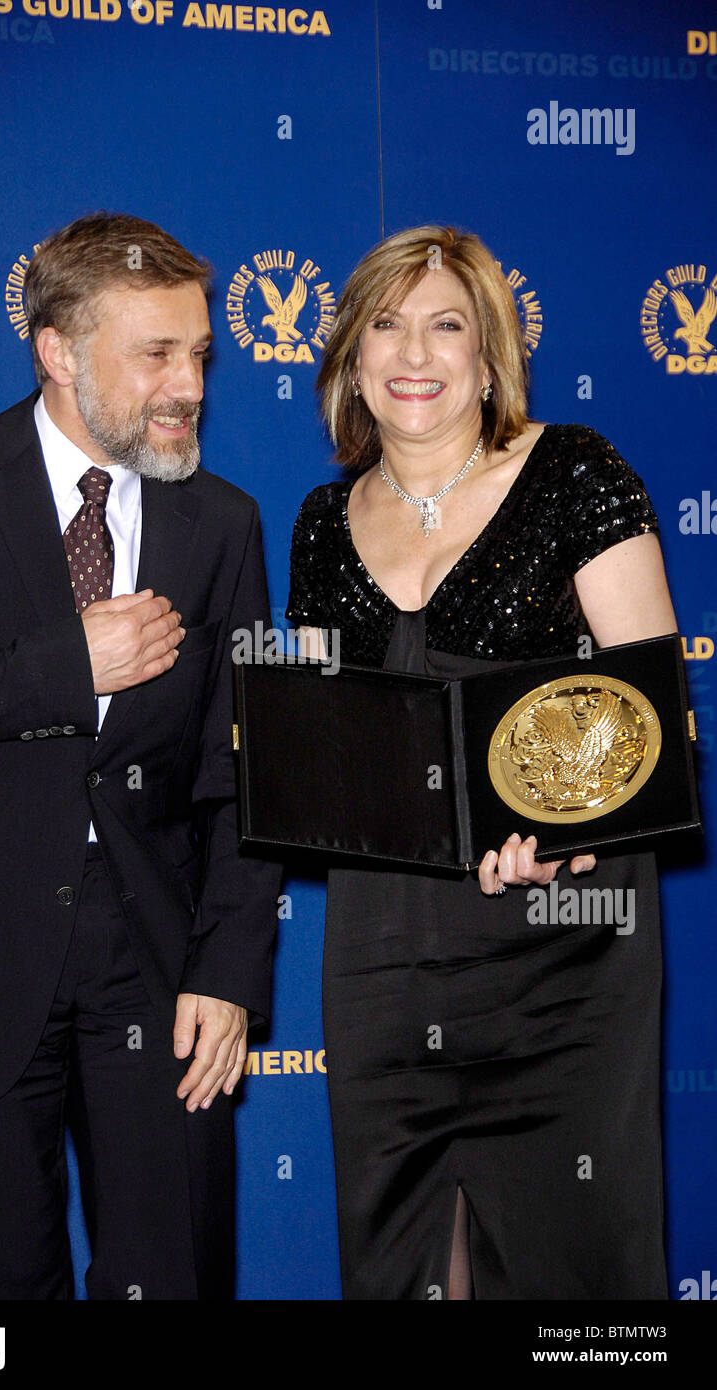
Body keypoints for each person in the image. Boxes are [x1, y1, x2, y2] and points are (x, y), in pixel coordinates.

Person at [0, 212, 280, 1300]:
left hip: (154, 957)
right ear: (55, 351)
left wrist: (227, 973)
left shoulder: (222, 522)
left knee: (173, 1276)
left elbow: (249, 768)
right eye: (155, 354)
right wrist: (63, 664)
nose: (188, 384)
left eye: (199, 354)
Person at [287, 224, 677, 1300]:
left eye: (446, 324)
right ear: (352, 356)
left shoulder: (574, 470)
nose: (415, 353)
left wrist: (569, 839)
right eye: (386, 324)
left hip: (561, 941)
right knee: (405, 1257)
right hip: (382, 948)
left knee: (574, 1261)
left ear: (489, 351)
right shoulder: (321, 521)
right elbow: (327, 746)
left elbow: (650, 721)